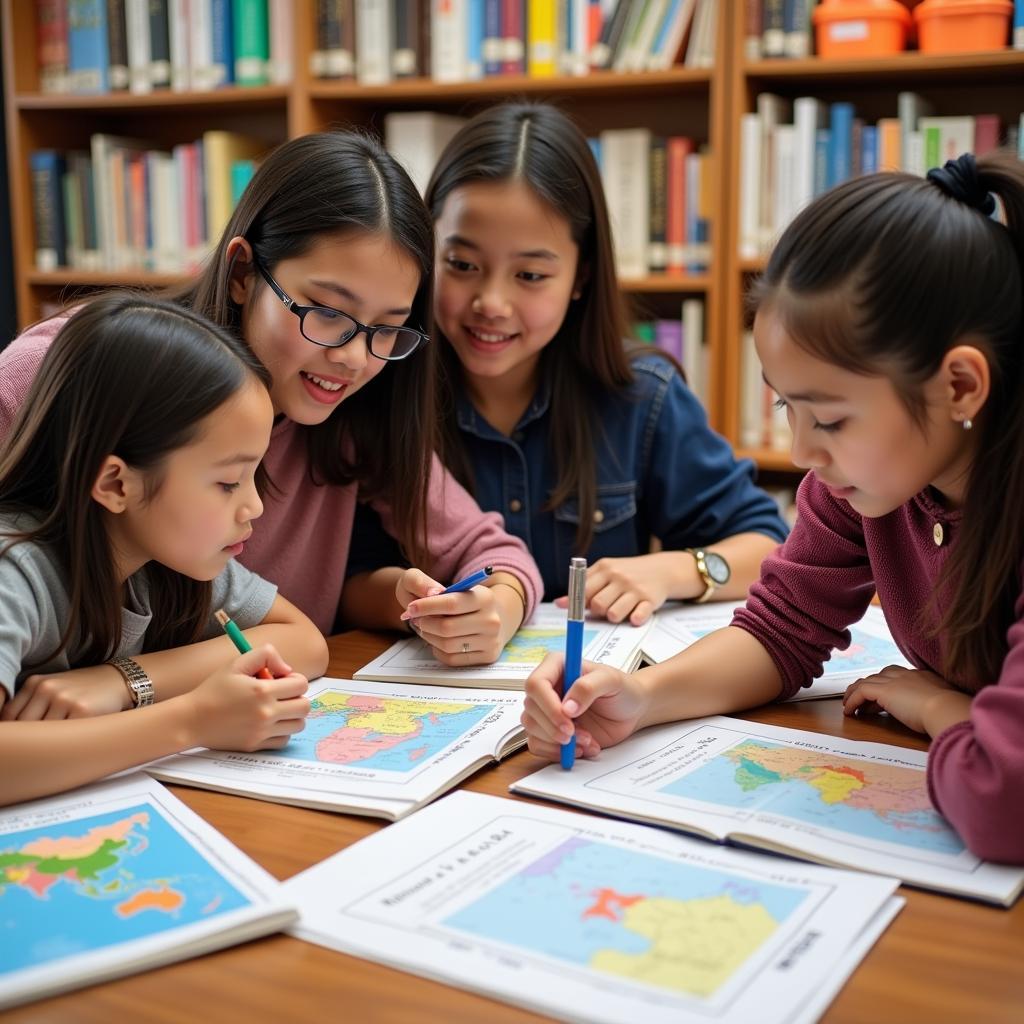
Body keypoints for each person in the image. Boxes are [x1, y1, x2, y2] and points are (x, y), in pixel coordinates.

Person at [521, 152, 1024, 863]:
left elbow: (1007, 803)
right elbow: (784, 628)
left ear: (961, 387)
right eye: (788, 406)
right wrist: (641, 696)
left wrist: (941, 709)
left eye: (830, 419)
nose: (802, 452)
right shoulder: (867, 485)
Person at [0, 131, 542, 667]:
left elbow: (497, 555)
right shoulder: (72, 367)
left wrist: (496, 607)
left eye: (386, 328)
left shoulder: (355, 413)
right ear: (242, 272)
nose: (354, 359)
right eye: (328, 312)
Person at [423, 103, 787, 624]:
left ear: (580, 277)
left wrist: (669, 572)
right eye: (461, 265)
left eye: (530, 276)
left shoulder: (642, 396)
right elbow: (351, 574)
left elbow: (767, 544)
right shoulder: (389, 391)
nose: (491, 303)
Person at [0, 294, 328, 806]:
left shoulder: (163, 560)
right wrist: (191, 719)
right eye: (227, 482)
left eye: (254, 476)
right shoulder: (14, 571)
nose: (255, 507)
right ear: (115, 483)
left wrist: (123, 681)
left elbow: (306, 641)